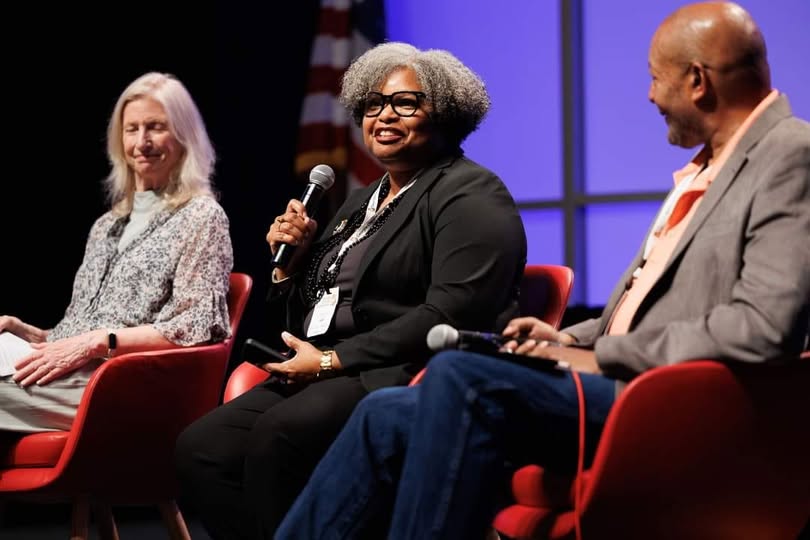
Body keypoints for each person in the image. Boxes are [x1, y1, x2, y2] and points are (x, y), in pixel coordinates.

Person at [275, 3, 810, 539]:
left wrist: (603, 355)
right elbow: (646, 304)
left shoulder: (790, 155)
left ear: (697, 81)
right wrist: (567, 338)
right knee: (384, 414)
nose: (651, 96)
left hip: (672, 399)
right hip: (629, 379)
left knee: (463, 378)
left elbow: (764, 327)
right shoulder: (706, 167)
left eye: (655, 78)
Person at [174, 42, 527, 539]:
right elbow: (317, 309)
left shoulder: (471, 194)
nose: (384, 115)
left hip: (401, 372)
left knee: (280, 436)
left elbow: (452, 312)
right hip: (328, 370)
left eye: (406, 103)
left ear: (446, 112)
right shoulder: (362, 201)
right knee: (202, 448)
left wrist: (330, 361)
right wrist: (292, 267)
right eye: (373, 104)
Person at [0, 72, 233, 433]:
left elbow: (197, 326)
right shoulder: (106, 225)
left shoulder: (202, 217)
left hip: (120, 384)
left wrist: (97, 342)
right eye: (131, 129)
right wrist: (34, 336)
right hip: (74, 373)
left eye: (156, 127)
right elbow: (82, 329)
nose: (142, 142)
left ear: (184, 136)